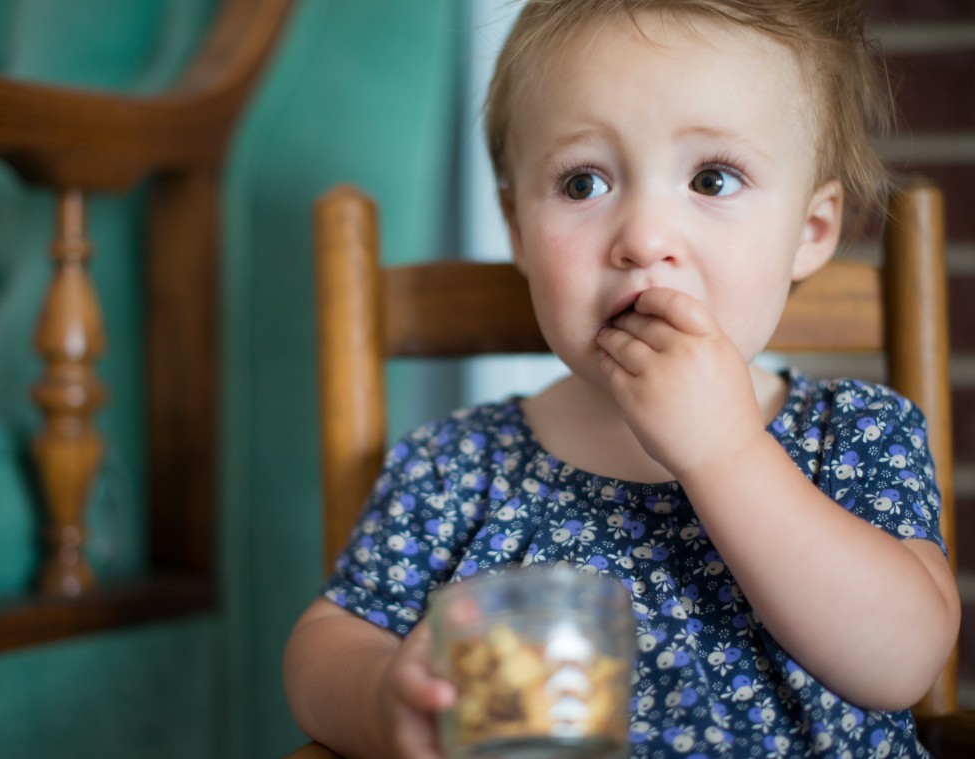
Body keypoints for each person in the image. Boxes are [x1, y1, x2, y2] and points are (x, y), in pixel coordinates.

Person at [284, 1, 961, 757]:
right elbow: (325, 645)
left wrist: (726, 450)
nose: (643, 237)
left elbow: (903, 661)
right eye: (583, 184)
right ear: (517, 230)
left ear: (811, 232)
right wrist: (384, 700)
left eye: (712, 177)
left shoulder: (855, 434)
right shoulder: (458, 466)